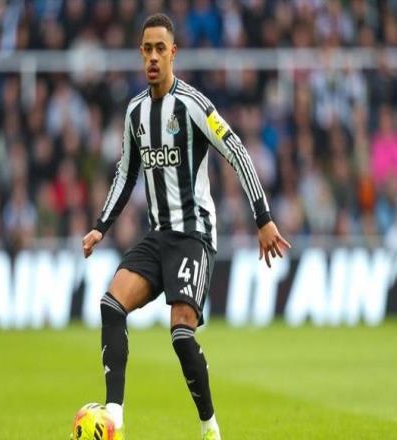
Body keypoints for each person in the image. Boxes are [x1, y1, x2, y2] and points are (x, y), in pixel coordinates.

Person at [81, 13, 291, 440]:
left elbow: (236, 151)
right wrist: (102, 225)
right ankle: (115, 417)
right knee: (110, 304)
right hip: (158, 236)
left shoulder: (193, 105)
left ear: (173, 53)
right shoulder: (135, 112)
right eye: (147, 49)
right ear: (140, 53)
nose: (153, 57)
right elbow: (126, 172)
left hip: (194, 236)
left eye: (160, 49)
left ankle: (209, 427)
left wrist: (263, 218)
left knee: (180, 334)